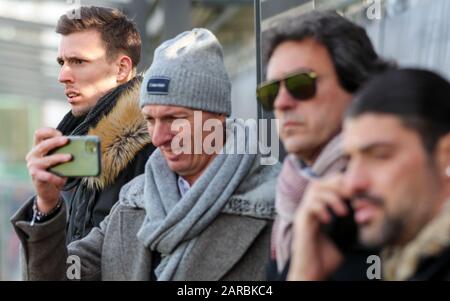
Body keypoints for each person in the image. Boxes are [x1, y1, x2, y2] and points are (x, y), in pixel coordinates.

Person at [12, 28, 280, 281]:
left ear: (218, 116)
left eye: (175, 119)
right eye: (150, 119)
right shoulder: (133, 202)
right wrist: (47, 205)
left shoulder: (278, 203)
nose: (159, 137)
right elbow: (61, 274)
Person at [257, 10, 391, 279]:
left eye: (300, 85)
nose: (281, 104)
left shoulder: (393, 198)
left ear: (358, 88)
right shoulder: (289, 195)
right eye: (271, 92)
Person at [288, 68, 450, 281]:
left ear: (445, 156)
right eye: (349, 161)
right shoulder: (404, 262)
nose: (352, 183)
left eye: (380, 156)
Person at [22, 6, 155, 244]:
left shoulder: (157, 147)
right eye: (62, 62)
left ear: (121, 69)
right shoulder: (85, 142)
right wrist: (46, 205)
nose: (63, 75)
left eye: (78, 61)